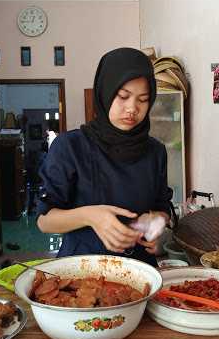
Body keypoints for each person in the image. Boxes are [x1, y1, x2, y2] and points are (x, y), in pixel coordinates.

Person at [36, 47, 172, 266]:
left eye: (143, 99)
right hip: (80, 272)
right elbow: (44, 221)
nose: (132, 108)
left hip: (140, 271)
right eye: (123, 96)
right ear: (105, 93)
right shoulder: (70, 146)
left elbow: (163, 207)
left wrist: (157, 224)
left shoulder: (155, 151)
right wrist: (91, 216)